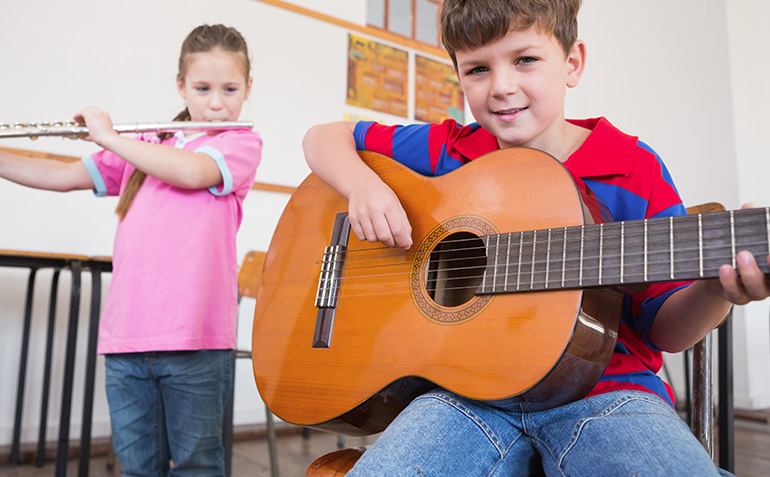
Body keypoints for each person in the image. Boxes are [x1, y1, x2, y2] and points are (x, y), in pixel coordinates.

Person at [302, 1, 770, 475]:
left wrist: (716, 289)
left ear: (572, 63)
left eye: (525, 59)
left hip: (607, 394)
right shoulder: (450, 149)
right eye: (478, 68)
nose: (502, 86)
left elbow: (664, 331)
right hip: (461, 397)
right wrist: (363, 187)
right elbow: (324, 137)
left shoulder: (632, 166)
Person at [0, 24, 261, 476]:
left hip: (195, 340)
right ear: (181, 87)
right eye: (202, 88)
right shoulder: (147, 146)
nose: (216, 102)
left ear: (247, 89)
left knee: (198, 466)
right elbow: (60, 177)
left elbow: (192, 173)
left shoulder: (239, 144)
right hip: (127, 341)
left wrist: (109, 138)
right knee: (138, 468)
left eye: (229, 89)